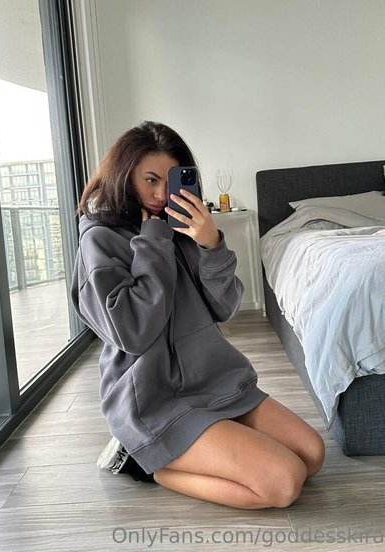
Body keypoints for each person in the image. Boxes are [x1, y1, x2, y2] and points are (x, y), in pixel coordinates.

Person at [71, 121, 324, 509]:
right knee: (283, 481)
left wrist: (211, 245)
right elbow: (133, 333)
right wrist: (153, 242)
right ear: (124, 175)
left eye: (169, 181)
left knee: (312, 455)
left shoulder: (183, 228)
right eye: (150, 180)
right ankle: (145, 463)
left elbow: (224, 307)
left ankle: (202, 442)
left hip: (214, 381)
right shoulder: (100, 240)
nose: (161, 194)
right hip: (155, 397)